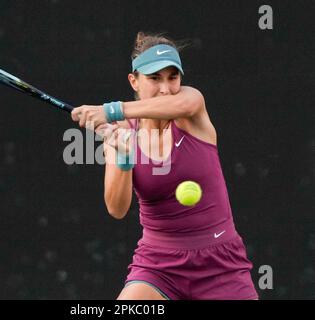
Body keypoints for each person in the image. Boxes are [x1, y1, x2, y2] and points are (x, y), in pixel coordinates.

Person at [71, 32, 258, 300]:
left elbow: (179, 102)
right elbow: (116, 208)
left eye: (173, 77)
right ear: (133, 81)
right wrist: (124, 155)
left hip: (221, 265)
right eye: (154, 78)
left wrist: (111, 110)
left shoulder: (191, 106)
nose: (165, 87)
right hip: (158, 267)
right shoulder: (121, 133)